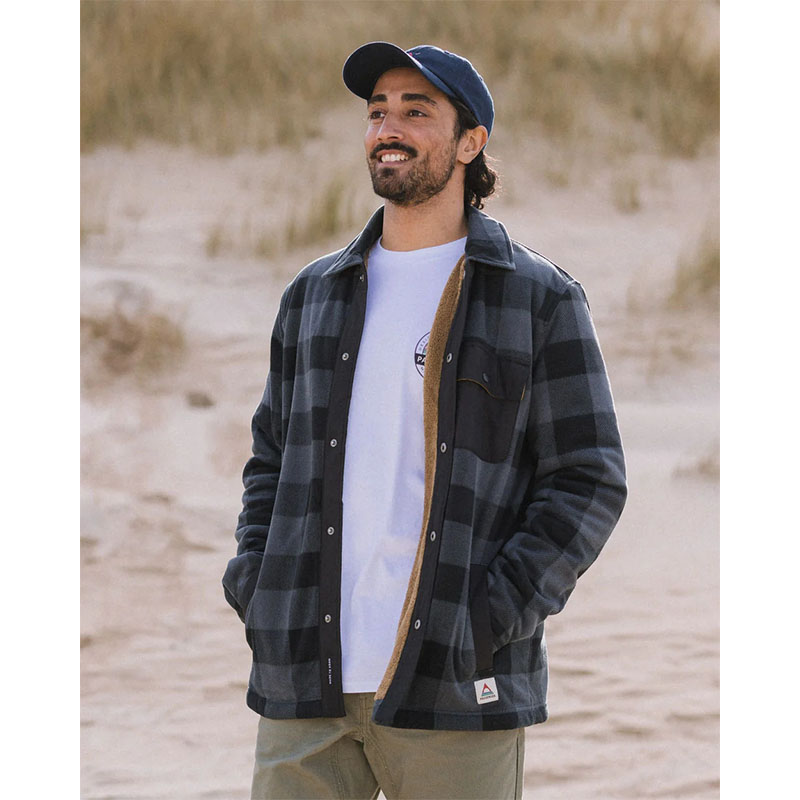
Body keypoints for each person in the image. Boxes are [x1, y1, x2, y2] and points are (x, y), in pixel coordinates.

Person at [223, 41, 627, 800]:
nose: (388, 128)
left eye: (416, 111)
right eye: (377, 112)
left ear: (471, 143)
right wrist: (256, 585)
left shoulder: (536, 298)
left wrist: (491, 615)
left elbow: (589, 478)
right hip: (304, 680)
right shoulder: (313, 295)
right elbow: (270, 460)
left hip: (455, 682)